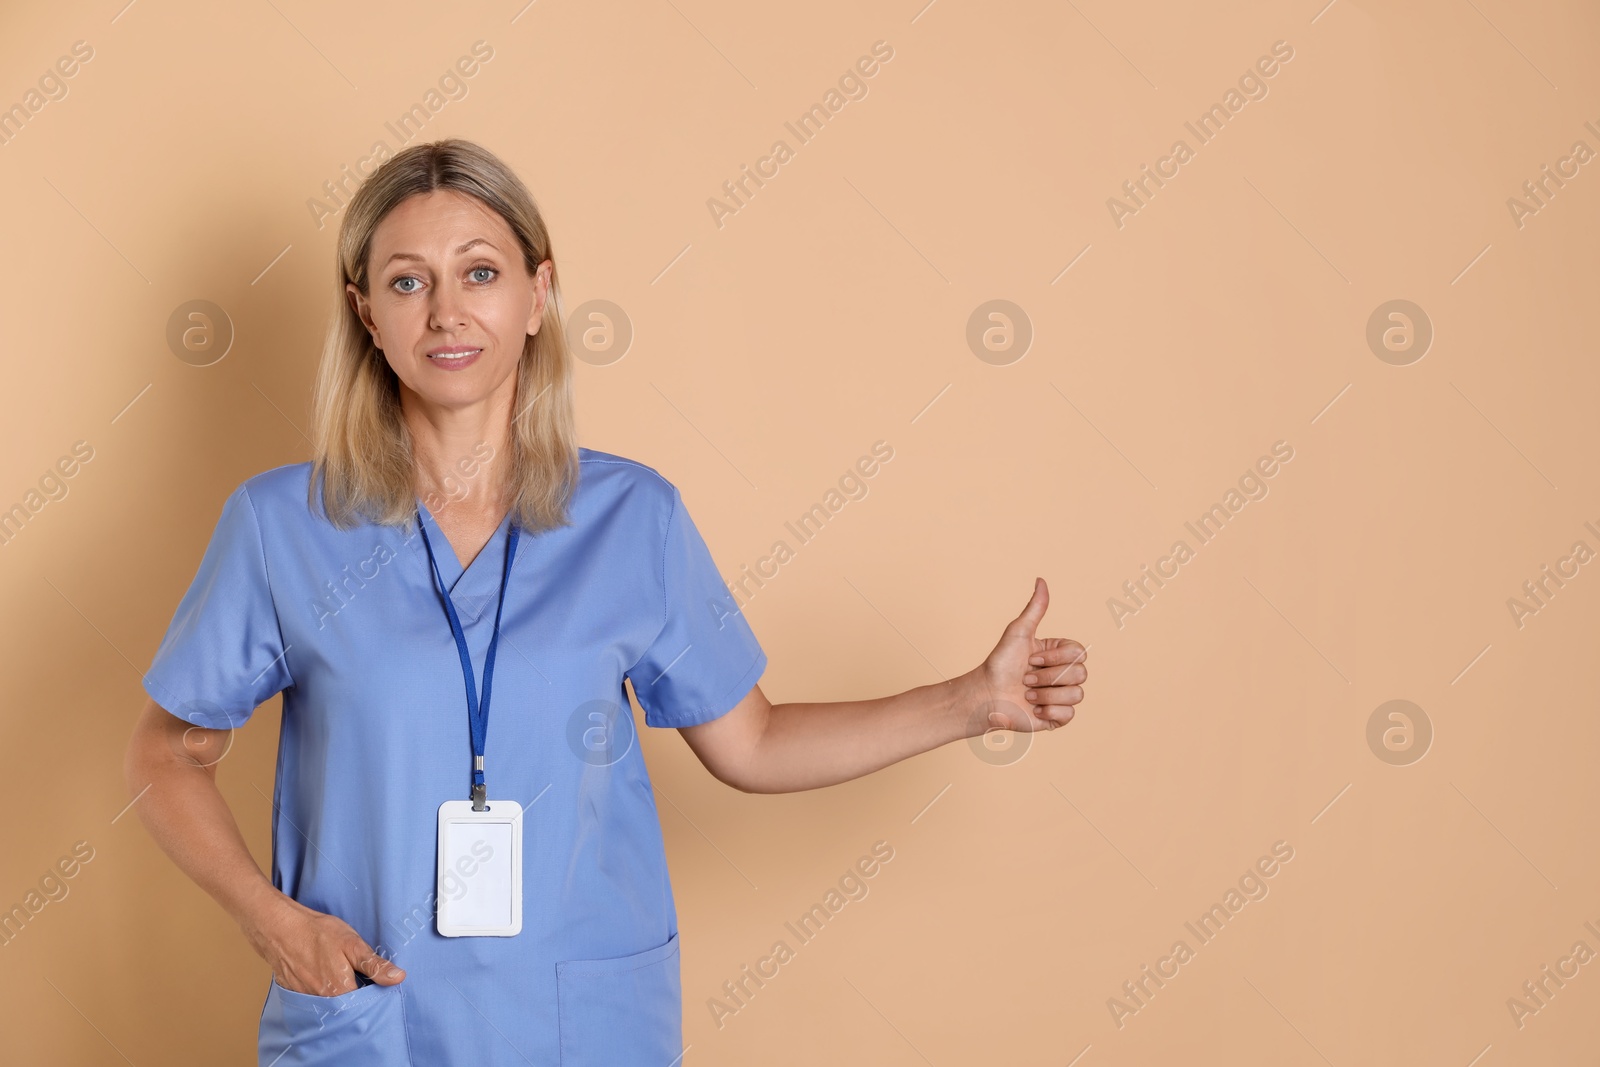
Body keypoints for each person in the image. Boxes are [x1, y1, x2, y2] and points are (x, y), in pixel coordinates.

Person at [122, 138, 1088, 1066]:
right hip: (370, 1014)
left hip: (579, 1024)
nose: (447, 312)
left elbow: (750, 742)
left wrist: (969, 702)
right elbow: (165, 753)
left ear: (539, 293)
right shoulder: (280, 524)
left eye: (481, 273)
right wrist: (274, 922)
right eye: (408, 281)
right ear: (366, 312)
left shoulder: (634, 519)